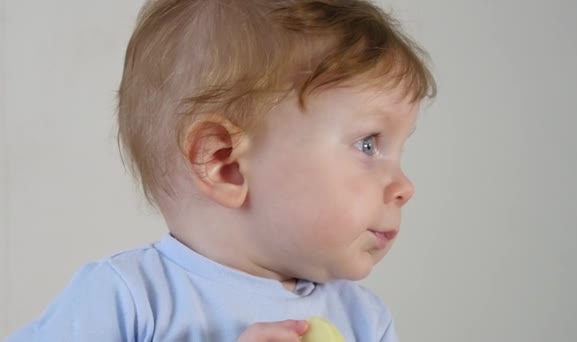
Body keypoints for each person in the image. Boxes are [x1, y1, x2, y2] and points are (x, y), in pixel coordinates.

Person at [7, 0, 436, 340]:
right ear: (225, 164)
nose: (405, 187)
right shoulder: (130, 299)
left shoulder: (363, 320)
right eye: (368, 144)